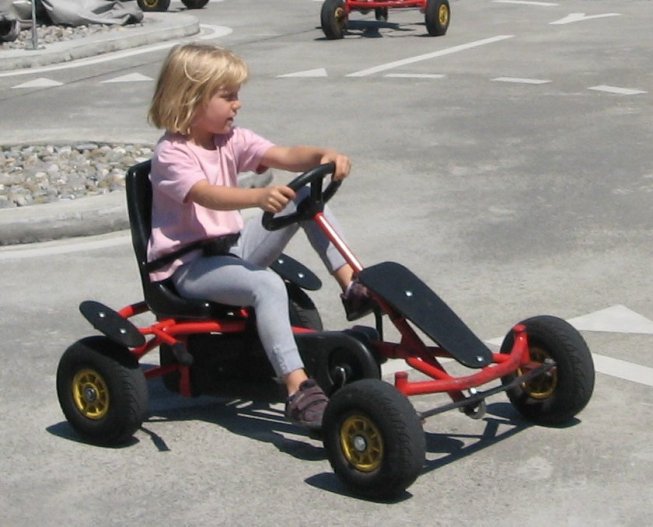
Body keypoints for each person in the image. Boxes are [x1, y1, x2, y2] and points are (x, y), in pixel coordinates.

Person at [146, 43, 372, 431]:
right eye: (228, 96)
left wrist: (323, 155)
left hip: (231, 250)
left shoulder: (230, 139)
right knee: (267, 285)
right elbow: (204, 193)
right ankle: (298, 388)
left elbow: (282, 154)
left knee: (305, 198)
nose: (238, 104)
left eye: (237, 95)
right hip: (189, 267)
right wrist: (256, 197)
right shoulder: (171, 154)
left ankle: (352, 284)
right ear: (192, 99)